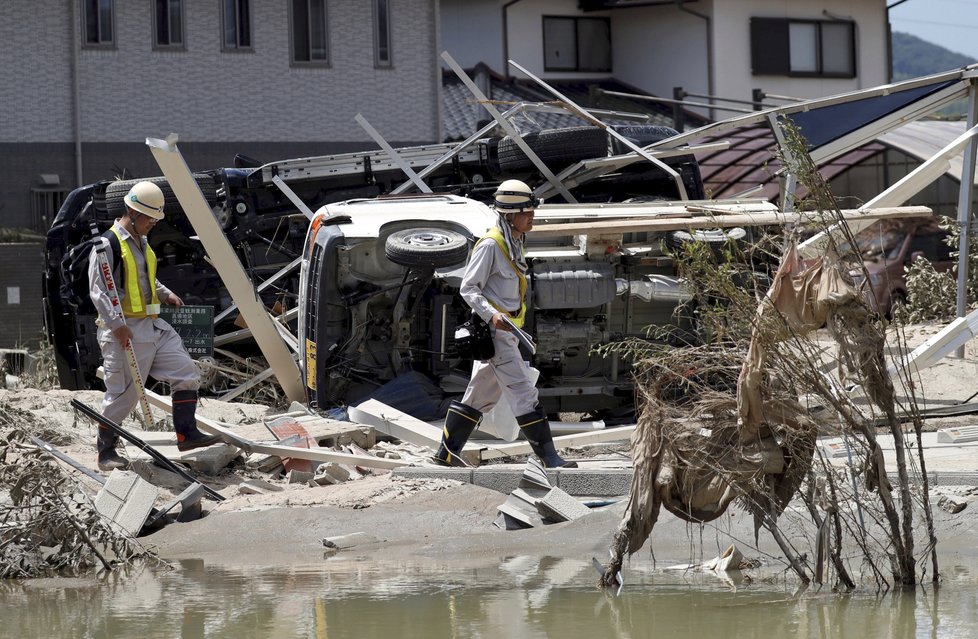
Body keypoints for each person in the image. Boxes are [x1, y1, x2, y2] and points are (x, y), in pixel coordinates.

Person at [434, 180, 576, 469]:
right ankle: (550, 459)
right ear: (509, 215)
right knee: (524, 393)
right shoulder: (491, 245)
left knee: (476, 398)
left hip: (508, 332)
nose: (532, 217)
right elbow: (469, 288)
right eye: (526, 213)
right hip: (496, 332)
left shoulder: (515, 242)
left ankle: (445, 454)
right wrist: (492, 315)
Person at [88, 180, 219, 471]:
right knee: (124, 395)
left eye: (155, 219)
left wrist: (165, 293)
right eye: (149, 218)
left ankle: (187, 433)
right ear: (132, 212)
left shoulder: (142, 243)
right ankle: (105, 451)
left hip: (152, 325)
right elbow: (99, 291)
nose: (152, 224)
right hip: (123, 330)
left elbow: (147, 278)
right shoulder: (107, 245)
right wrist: (116, 325)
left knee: (186, 371)